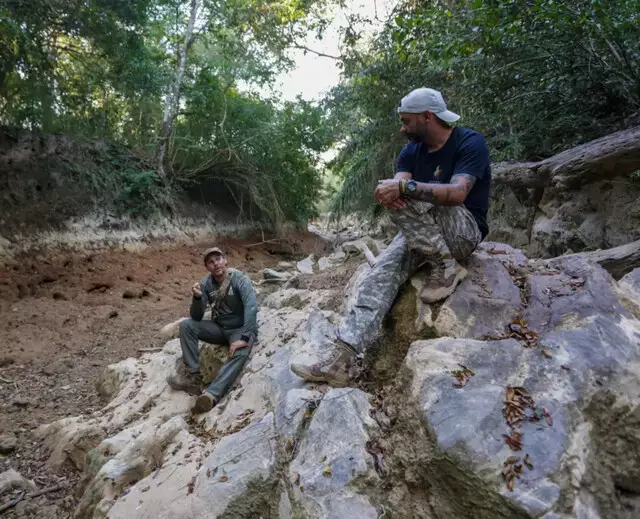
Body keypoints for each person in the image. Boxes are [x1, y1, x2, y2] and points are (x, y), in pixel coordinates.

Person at [291, 87, 491, 386]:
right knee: (378, 276)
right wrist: (391, 192)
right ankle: (341, 360)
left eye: (406, 121)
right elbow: (397, 187)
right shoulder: (411, 151)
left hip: (462, 231)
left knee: (408, 193)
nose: (402, 128)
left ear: (427, 117)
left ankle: (448, 267)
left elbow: (458, 192)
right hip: (422, 233)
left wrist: (405, 190)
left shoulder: (470, 142)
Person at [167, 247, 258, 413]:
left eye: (218, 259)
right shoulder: (206, 284)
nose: (216, 264)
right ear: (207, 267)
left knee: (241, 353)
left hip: (239, 328)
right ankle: (194, 378)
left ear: (225, 260)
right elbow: (196, 316)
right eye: (211, 262)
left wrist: (244, 338)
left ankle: (211, 395)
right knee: (186, 325)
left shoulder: (239, 279)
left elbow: (251, 307)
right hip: (219, 328)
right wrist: (197, 297)